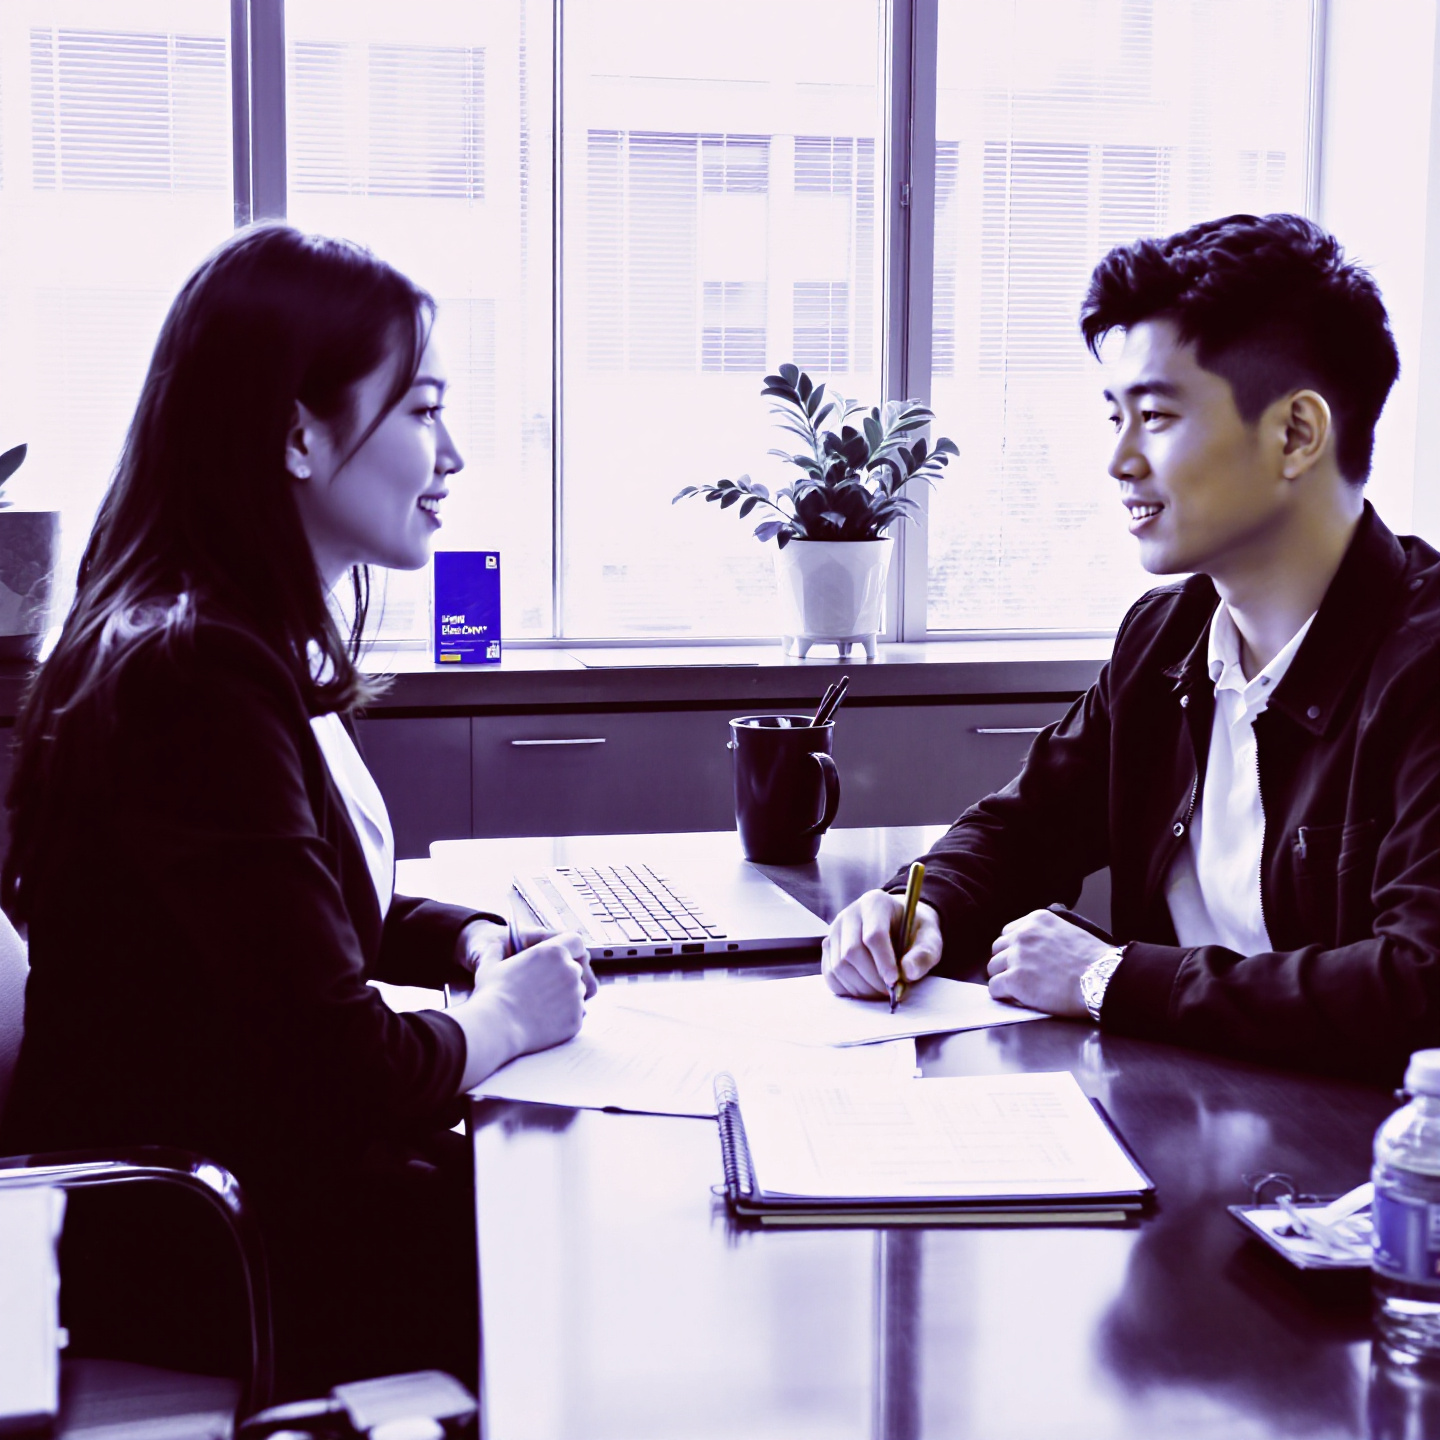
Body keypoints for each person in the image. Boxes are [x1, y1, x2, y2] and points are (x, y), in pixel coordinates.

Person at [0, 224, 591, 1394]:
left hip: (251, 1201)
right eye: (422, 410)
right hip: (209, 1258)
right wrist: (502, 1023)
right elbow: (336, 1065)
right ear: (297, 435)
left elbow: (286, 914)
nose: (453, 453)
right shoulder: (193, 675)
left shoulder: (227, 635)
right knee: (599, 1263)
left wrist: (467, 941)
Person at [823, 211, 1440, 1085]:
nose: (1119, 459)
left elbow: (1419, 985)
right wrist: (916, 905)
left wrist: (1110, 977)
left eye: (1154, 416)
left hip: (1357, 1154)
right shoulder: (1165, 637)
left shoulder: (1423, 664)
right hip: (1173, 1113)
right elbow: (1027, 825)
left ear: (1297, 434)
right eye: (1114, 416)